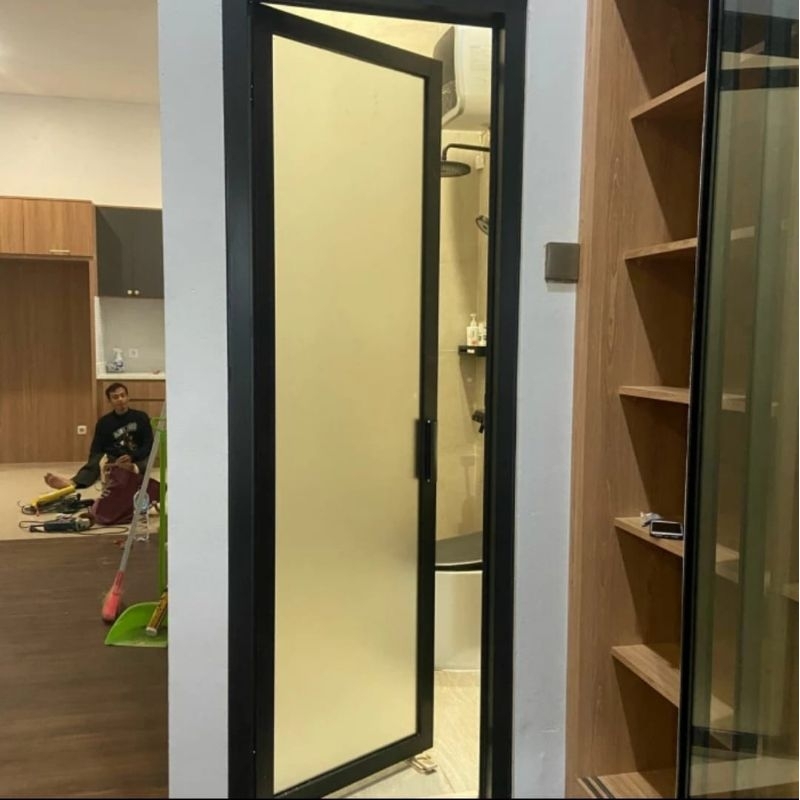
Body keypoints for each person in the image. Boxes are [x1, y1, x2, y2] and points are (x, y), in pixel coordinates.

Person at [44, 382, 154, 491]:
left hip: (137, 457)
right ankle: (72, 483)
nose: (120, 399)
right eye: (115, 397)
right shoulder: (104, 422)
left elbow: (148, 443)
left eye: (123, 395)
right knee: (97, 460)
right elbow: (96, 449)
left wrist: (132, 457)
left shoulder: (141, 417)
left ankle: (130, 469)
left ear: (128, 397)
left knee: (146, 462)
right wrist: (96, 464)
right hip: (114, 459)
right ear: (109, 401)